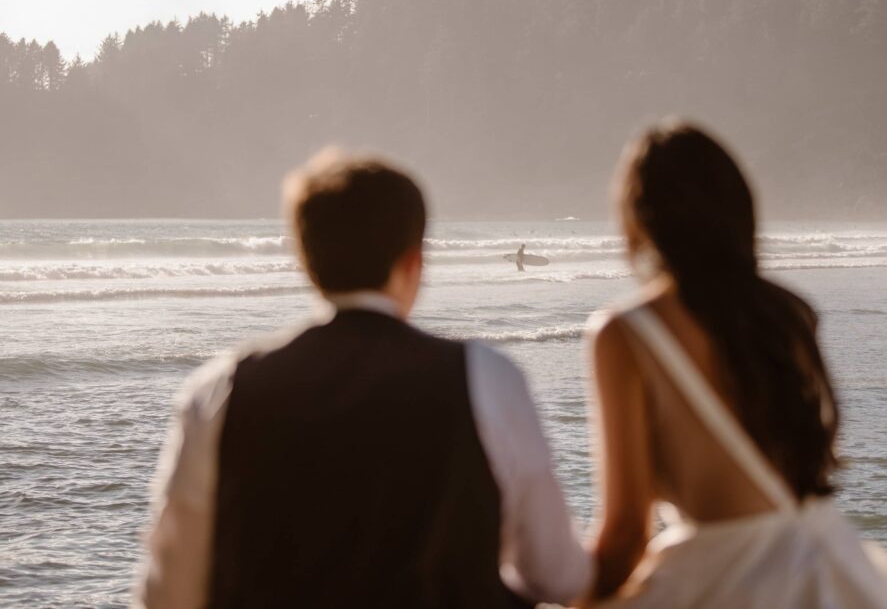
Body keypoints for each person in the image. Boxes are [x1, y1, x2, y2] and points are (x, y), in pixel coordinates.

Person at [135, 151, 592, 609]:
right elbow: (558, 573)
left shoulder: (221, 389)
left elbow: (169, 593)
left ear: (305, 260)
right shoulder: (486, 377)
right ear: (414, 261)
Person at [583, 124, 887, 608]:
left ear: (641, 218)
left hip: (727, 579)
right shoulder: (790, 313)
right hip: (829, 568)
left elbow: (626, 531)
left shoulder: (625, 334)